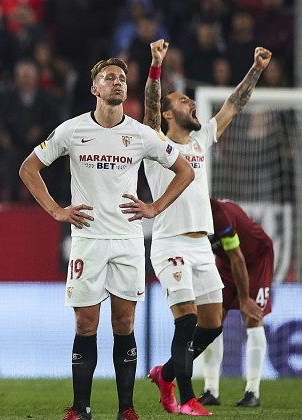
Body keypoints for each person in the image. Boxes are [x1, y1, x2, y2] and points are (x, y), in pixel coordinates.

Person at [19, 57, 195, 420]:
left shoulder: (142, 134)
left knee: (124, 324)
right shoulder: (71, 130)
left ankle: (126, 409)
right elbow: (28, 168)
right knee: (86, 324)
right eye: (109, 77)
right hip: (88, 240)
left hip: (128, 241)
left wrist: (155, 207)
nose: (118, 82)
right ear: (94, 88)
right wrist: (56, 210)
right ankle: (81, 408)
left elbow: (184, 170)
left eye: (122, 78)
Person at [142, 39, 271, 416]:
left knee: (212, 325)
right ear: (166, 115)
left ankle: (165, 374)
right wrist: (155, 65)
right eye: (183, 101)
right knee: (187, 323)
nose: (192, 104)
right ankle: (186, 399)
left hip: (202, 247)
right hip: (170, 243)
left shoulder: (200, 141)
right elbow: (150, 105)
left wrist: (257, 69)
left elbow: (234, 104)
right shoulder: (157, 143)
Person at [198, 198, 272, 408]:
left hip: (255, 258)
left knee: (252, 316)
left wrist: (244, 298)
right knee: (212, 319)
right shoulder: (184, 212)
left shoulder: (216, 213)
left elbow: (238, 258)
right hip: (226, 259)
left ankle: (253, 392)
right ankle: (211, 390)